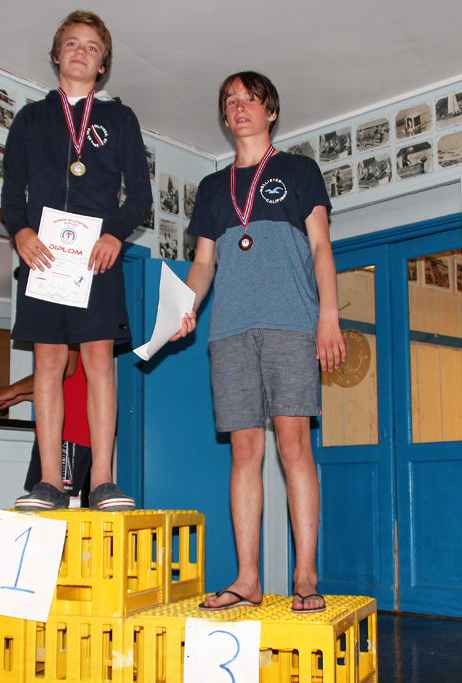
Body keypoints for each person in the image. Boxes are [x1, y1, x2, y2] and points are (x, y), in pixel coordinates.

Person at [174, 71, 346, 614]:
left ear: (270, 111)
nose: (240, 107)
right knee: (245, 452)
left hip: (291, 324)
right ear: (225, 117)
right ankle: (248, 578)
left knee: (294, 447)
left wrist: (329, 316)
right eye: (231, 101)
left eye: (251, 99)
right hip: (229, 332)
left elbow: (321, 247)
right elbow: (204, 263)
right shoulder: (211, 188)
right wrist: (185, 305)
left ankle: (305, 574)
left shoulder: (299, 171)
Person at [0, 10, 152, 512]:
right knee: (47, 362)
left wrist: (113, 234)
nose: (80, 52)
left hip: (95, 260)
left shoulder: (120, 120)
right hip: (44, 257)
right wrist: (21, 230)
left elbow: (140, 198)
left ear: (102, 63)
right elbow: (11, 194)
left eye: (91, 46)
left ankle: (103, 480)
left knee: (98, 362)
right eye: (71, 43)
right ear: (56, 54)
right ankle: (49, 481)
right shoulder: (30, 119)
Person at [0, 346, 92, 508]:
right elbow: (57, 388)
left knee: (56, 501)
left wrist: (15, 389)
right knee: (41, 498)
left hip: (71, 430)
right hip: (52, 432)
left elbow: (66, 369)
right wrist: (21, 395)